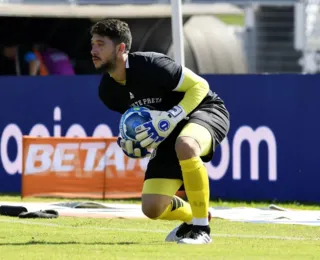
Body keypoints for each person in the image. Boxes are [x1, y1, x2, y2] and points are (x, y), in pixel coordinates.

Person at [92, 19, 230, 244]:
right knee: (153, 207)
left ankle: (201, 229)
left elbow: (200, 86)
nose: (93, 50)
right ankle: (195, 216)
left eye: (100, 44)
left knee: (185, 145)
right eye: (92, 44)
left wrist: (173, 115)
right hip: (169, 132)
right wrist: (131, 139)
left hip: (204, 109)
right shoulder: (107, 91)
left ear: (120, 48)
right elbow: (137, 121)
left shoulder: (151, 64)